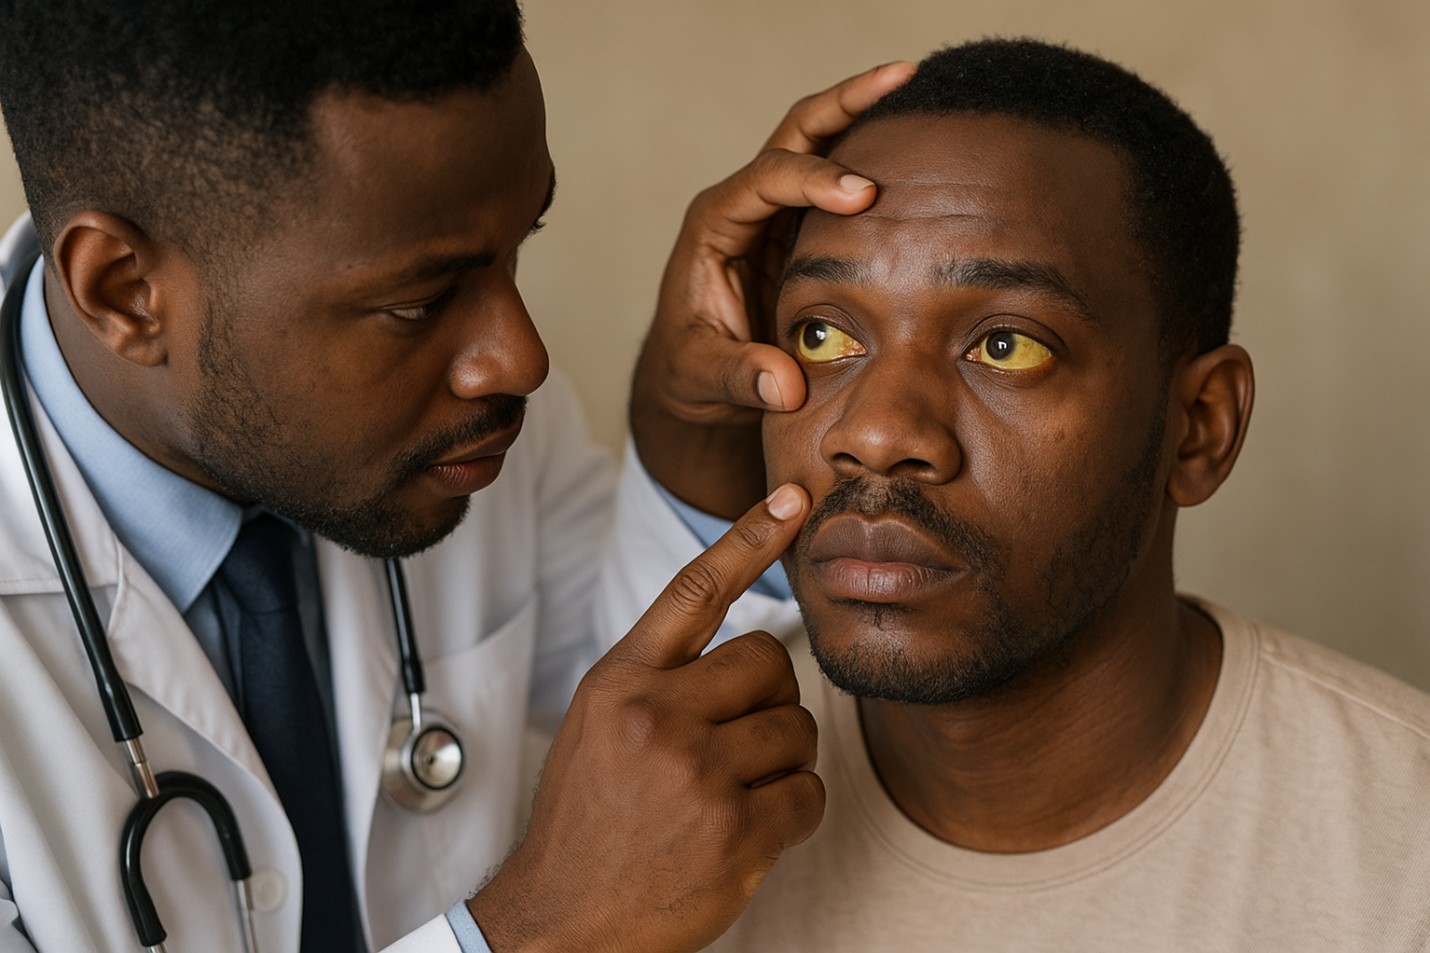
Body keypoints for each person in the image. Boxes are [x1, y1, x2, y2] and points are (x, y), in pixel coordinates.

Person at [0, 2, 917, 951]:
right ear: (124, 290)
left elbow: (627, 745)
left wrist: (692, 431)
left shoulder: (450, 421)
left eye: (522, 245)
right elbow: (596, 882)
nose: (518, 357)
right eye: (418, 300)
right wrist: (540, 930)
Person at [676, 39, 1430, 952]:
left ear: (1199, 426)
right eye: (826, 333)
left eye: (1006, 345)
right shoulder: (651, 805)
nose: (873, 432)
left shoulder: (1403, 857)